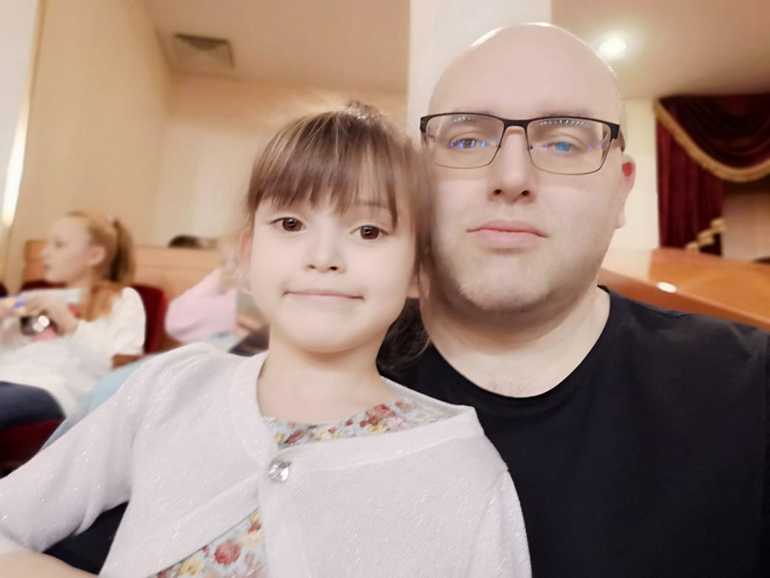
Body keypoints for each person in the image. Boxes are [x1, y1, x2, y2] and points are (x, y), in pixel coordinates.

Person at [0, 103, 531, 577]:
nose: (323, 257)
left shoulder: (460, 469)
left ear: (418, 270)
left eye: (369, 231)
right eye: (291, 223)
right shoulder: (171, 389)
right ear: (248, 253)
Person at [386, 23, 769, 578]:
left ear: (622, 190)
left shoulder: (750, 390)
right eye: (468, 140)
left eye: (564, 143)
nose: (511, 177)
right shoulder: (305, 385)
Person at [0, 211, 145, 428]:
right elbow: (10, 352)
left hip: (52, 390)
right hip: (8, 375)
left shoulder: (123, 299)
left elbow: (118, 371)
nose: (44, 253)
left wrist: (71, 325)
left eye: (59, 245)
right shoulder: (34, 297)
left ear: (94, 255)